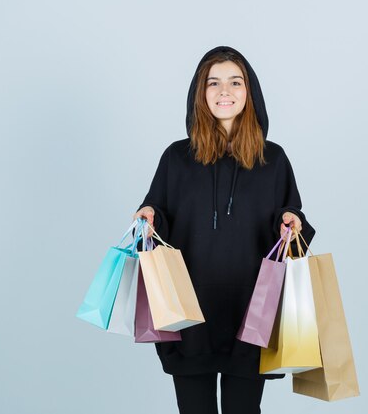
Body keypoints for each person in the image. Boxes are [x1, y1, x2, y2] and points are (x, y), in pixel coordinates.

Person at [132, 46, 316, 414]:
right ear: (200, 93)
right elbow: (157, 216)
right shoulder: (176, 158)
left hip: (251, 313)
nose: (224, 92)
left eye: (235, 82)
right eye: (213, 83)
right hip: (188, 315)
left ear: (250, 93)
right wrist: (149, 214)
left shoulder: (273, 159)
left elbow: (287, 224)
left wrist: (292, 220)